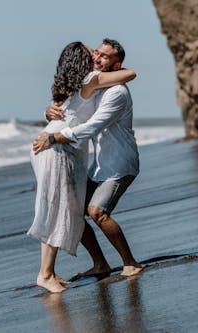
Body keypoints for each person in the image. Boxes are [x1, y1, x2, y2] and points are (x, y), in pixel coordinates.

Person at [27, 41, 137, 293]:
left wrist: (50, 118)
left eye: (100, 54)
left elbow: (65, 112)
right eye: (93, 54)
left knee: (64, 208)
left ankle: (87, 266)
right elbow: (131, 73)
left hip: (51, 145)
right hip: (55, 147)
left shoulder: (70, 82)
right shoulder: (91, 80)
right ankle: (45, 274)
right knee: (57, 209)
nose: (96, 57)